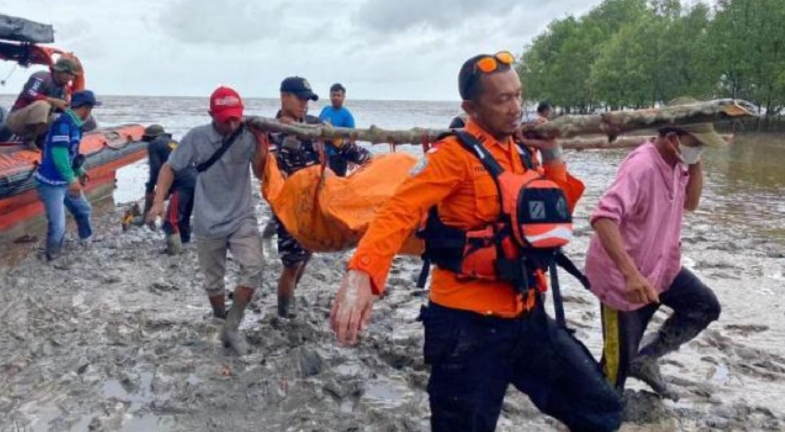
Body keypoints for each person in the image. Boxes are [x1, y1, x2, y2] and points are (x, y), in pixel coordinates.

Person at [330, 52, 623, 432]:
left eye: (519, 95)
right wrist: (361, 274)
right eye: (502, 99)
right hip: (467, 328)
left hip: (527, 313)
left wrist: (552, 152)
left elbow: (554, 217)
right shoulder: (452, 156)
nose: (516, 107)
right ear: (471, 107)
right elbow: (398, 210)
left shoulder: (523, 150)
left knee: (600, 410)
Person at [586, 97, 725, 401]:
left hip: (661, 270)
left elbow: (691, 203)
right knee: (612, 377)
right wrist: (632, 275)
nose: (698, 149)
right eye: (695, 143)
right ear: (672, 138)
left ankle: (646, 358)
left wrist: (696, 158)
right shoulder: (642, 166)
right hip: (626, 281)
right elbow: (603, 218)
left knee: (704, 306)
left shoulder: (677, 163)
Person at [147, 86, 267, 355]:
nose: (233, 123)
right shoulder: (196, 138)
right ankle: (219, 318)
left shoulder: (247, 135)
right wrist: (158, 201)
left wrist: (261, 143)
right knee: (214, 281)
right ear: (211, 114)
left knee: (254, 266)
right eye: (226, 119)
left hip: (241, 217)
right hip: (207, 219)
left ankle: (232, 326)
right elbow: (170, 167)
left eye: (237, 117)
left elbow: (260, 174)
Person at [272, 76, 371, 318]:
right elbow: (267, 169)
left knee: (307, 254)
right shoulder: (271, 131)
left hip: (317, 202)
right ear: (285, 96)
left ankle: (291, 296)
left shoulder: (316, 125)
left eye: (308, 99)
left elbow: (344, 146)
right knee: (291, 262)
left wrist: (371, 161)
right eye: (300, 98)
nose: (305, 104)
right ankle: (284, 311)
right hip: (290, 207)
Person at [34, 90, 100, 261]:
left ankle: (86, 241)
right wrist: (72, 180)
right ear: (86, 108)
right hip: (51, 183)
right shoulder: (63, 124)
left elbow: (72, 154)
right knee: (58, 225)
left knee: (83, 209)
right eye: (91, 108)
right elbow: (59, 154)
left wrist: (78, 171)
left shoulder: (76, 125)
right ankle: (52, 257)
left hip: (65, 180)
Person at [142, 124, 198, 254]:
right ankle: (185, 244)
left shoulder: (154, 144)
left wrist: (150, 189)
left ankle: (174, 251)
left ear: (150, 138)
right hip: (196, 181)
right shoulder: (174, 143)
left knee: (170, 220)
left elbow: (155, 169)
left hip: (181, 185)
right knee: (183, 218)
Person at [7, 58, 78, 150]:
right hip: (17, 119)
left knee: (63, 116)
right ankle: (28, 139)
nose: (70, 77)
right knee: (43, 105)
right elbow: (29, 92)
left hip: (38, 126)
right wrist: (52, 101)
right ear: (57, 71)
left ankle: (43, 140)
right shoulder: (42, 77)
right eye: (67, 73)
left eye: (72, 75)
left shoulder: (63, 89)